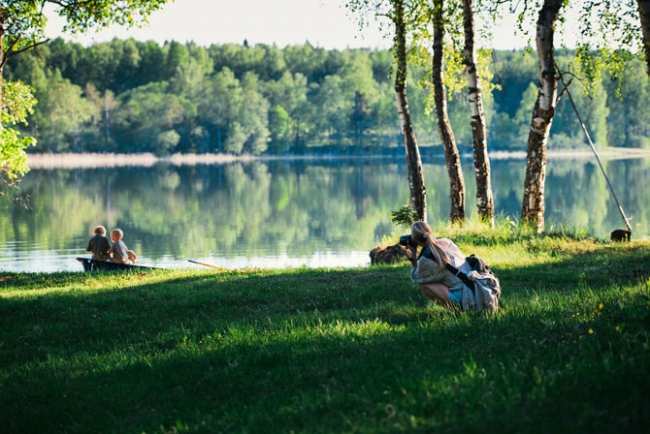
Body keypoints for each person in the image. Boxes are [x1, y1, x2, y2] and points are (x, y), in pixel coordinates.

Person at [406, 221, 471, 310]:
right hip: (473, 287)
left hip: (466, 297)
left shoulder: (426, 259)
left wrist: (413, 257)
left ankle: (457, 310)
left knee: (425, 286)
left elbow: (416, 278)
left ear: (415, 239)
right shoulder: (446, 241)